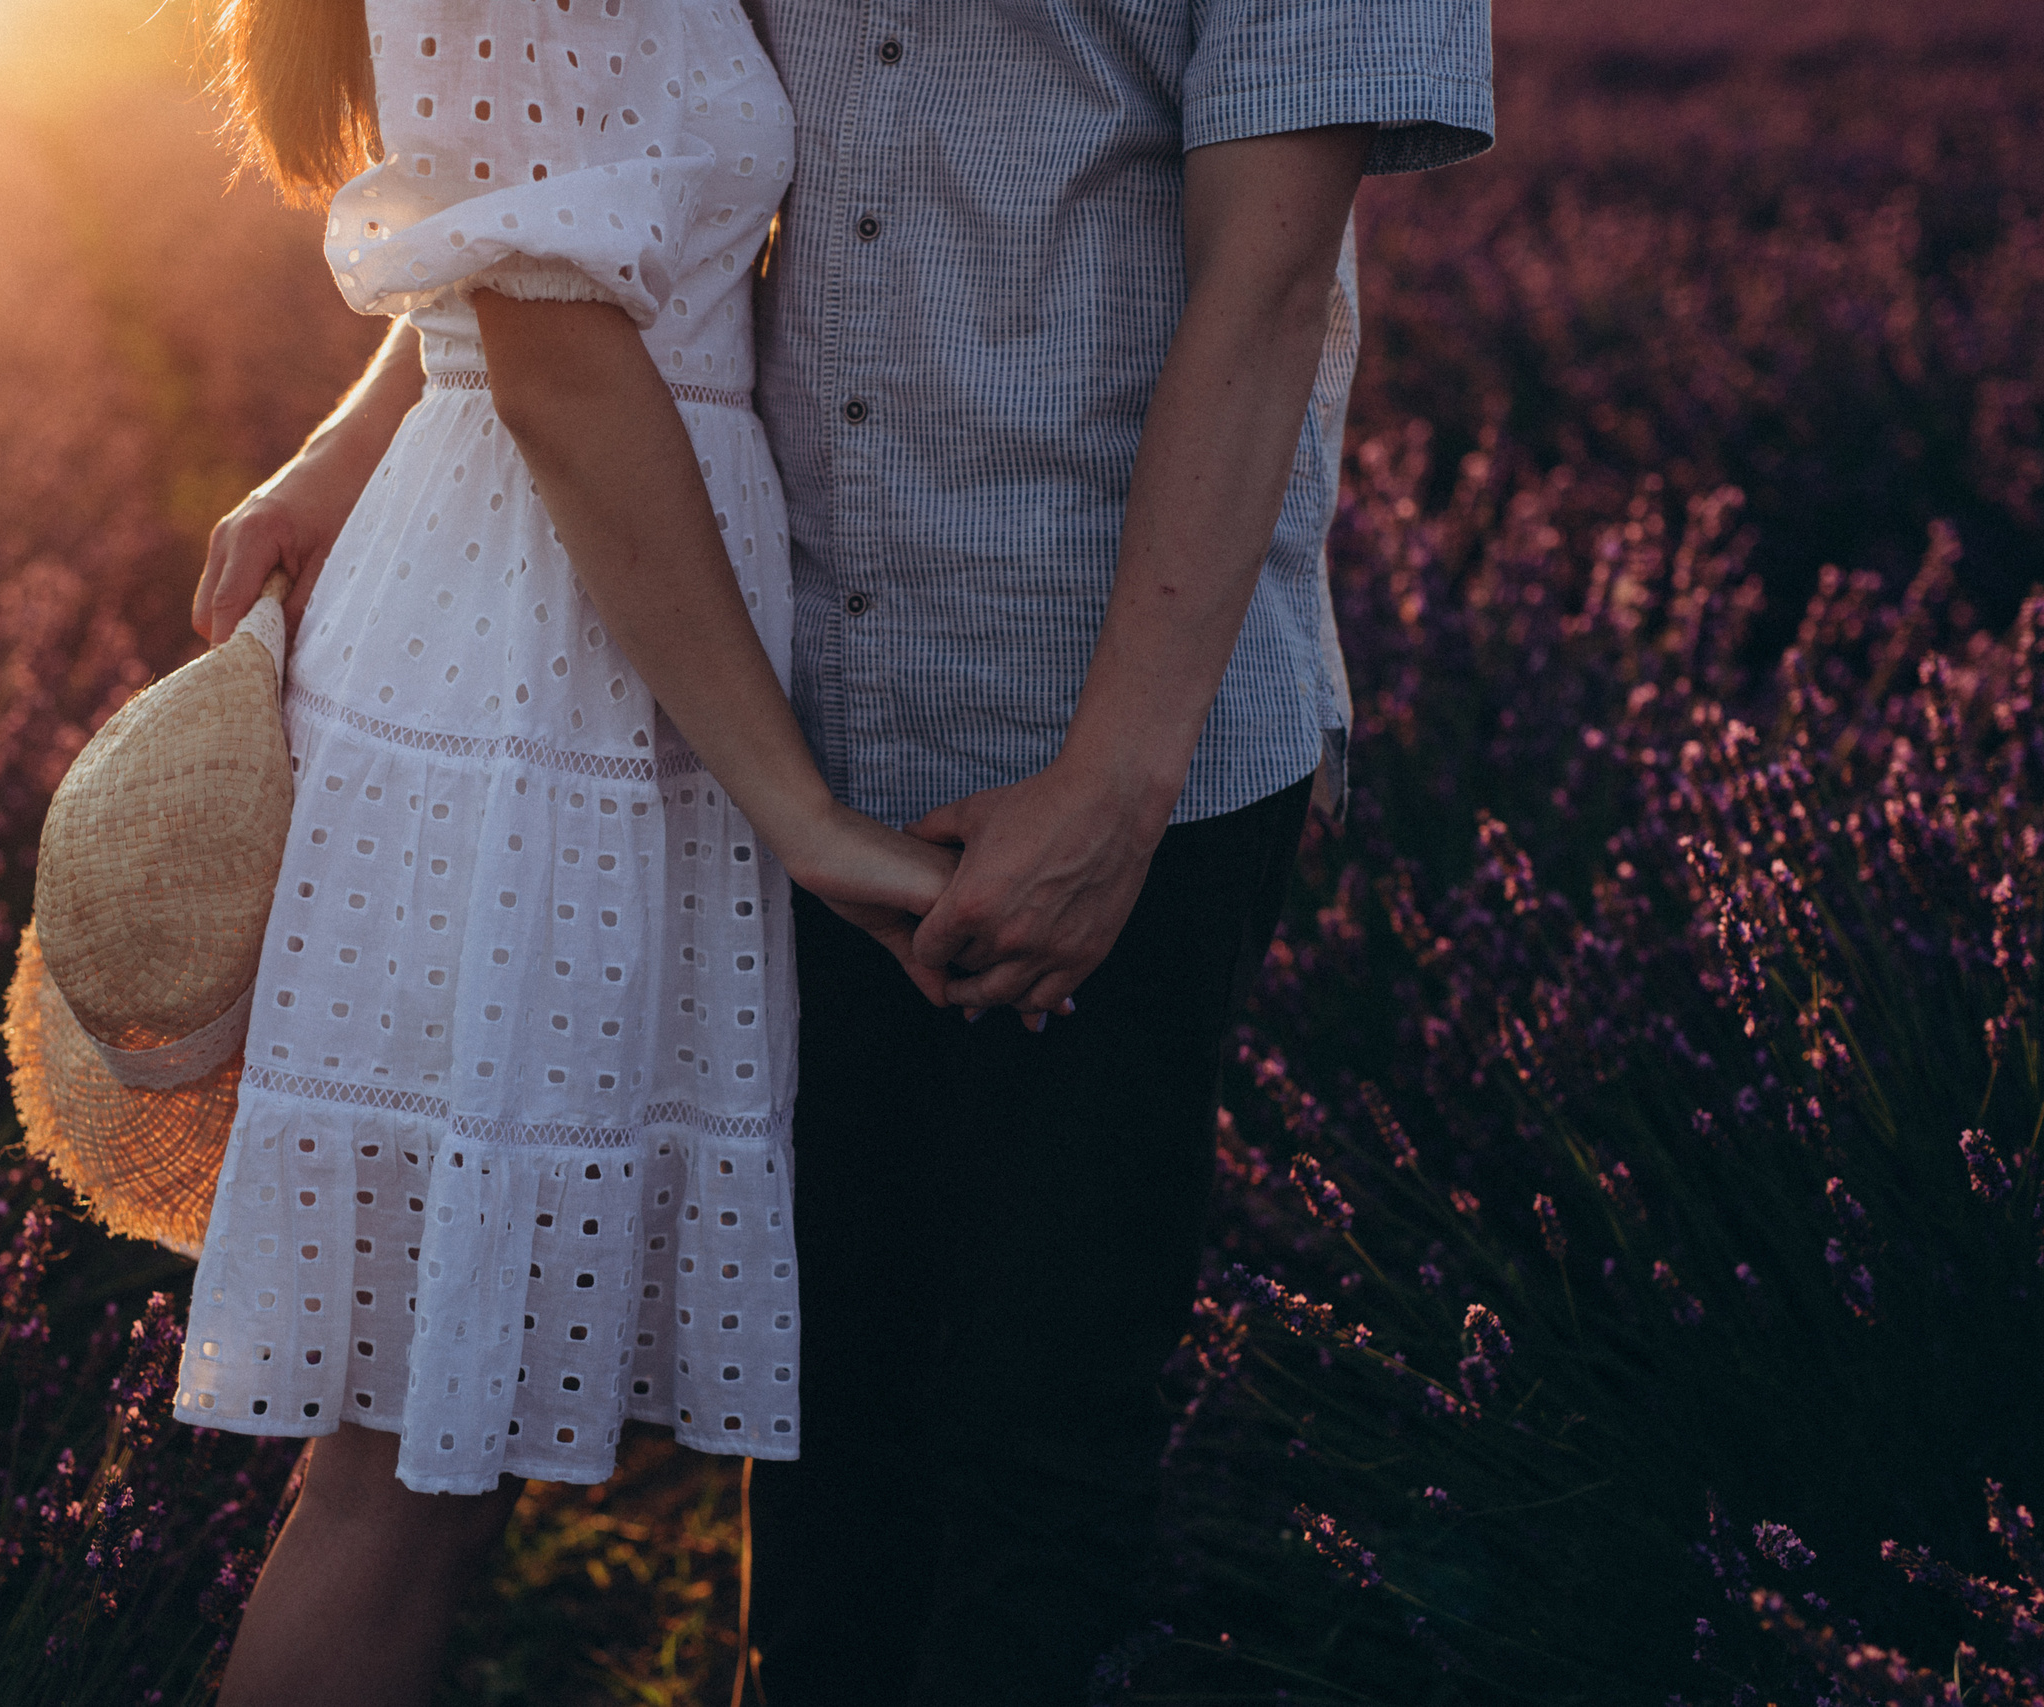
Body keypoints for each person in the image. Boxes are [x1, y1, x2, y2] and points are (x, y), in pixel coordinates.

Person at [169, 3, 954, 1704]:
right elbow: (557, 356)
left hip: (584, 626)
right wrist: (799, 811)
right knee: (408, 1464)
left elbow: (522, 219)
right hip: (540, 659)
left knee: (442, 1440)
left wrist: (332, 447)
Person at [737, 2, 1493, 1702]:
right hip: (788, 719)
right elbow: (580, 155)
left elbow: (1270, 279)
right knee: (816, 1427)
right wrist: (356, 444)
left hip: (1108, 732)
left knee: (1036, 1449)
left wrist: (1114, 783)